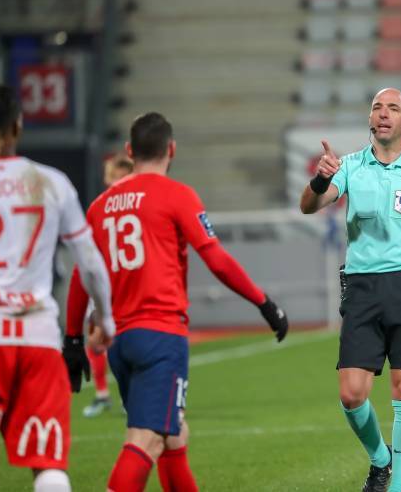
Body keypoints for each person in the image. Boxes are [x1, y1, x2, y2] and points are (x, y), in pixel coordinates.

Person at [65, 112, 288, 492]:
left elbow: (80, 275)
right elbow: (215, 259)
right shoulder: (177, 195)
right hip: (160, 338)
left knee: (174, 435)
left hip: (121, 342)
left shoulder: (100, 207)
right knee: (146, 438)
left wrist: (71, 339)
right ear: (172, 149)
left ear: (130, 151)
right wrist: (264, 303)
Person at [0, 84, 114, 492]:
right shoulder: (52, 182)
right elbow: (88, 260)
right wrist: (106, 317)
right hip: (38, 340)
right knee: (49, 466)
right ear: (18, 125)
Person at [300, 88, 401, 492]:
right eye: (377, 107)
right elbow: (310, 205)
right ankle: (381, 458)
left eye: (393, 108)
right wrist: (321, 176)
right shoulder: (351, 166)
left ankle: (397, 488)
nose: (384, 113)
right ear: (370, 120)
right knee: (352, 394)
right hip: (362, 287)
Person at [82, 154, 133, 418]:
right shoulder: (101, 208)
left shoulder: (102, 208)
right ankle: (105, 393)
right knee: (97, 341)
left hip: (122, 285)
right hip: (105, 283)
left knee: (117, 341)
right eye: (113, 176)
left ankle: (123, 394)